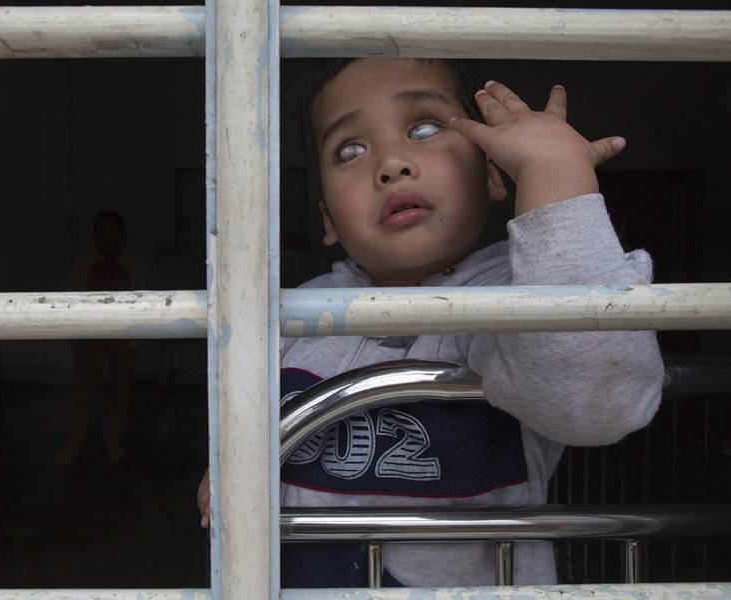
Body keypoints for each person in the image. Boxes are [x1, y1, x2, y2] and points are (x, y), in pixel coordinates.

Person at [197, 58, 664, 587]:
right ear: (328, 217)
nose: (391, 163)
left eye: (423, 128)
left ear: (491, 171)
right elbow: (244, 428)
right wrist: (229, 465)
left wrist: (556, 178)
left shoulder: (513, 300)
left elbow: (599, 400)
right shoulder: (292, 315)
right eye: (350, 149)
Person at [58, 211, 145, 466]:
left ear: (122, 235)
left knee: (121, 390)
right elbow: (71, 299)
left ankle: (113, 444)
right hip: (90, 334)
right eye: (100, 233)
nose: (106, 238)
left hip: (124, 335)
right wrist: (76, 334)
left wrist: (135, 339)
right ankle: (73, 446)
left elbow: (143, 301)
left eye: (111, 232)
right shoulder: (83, 264)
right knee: (82, 391)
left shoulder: (133, 265)